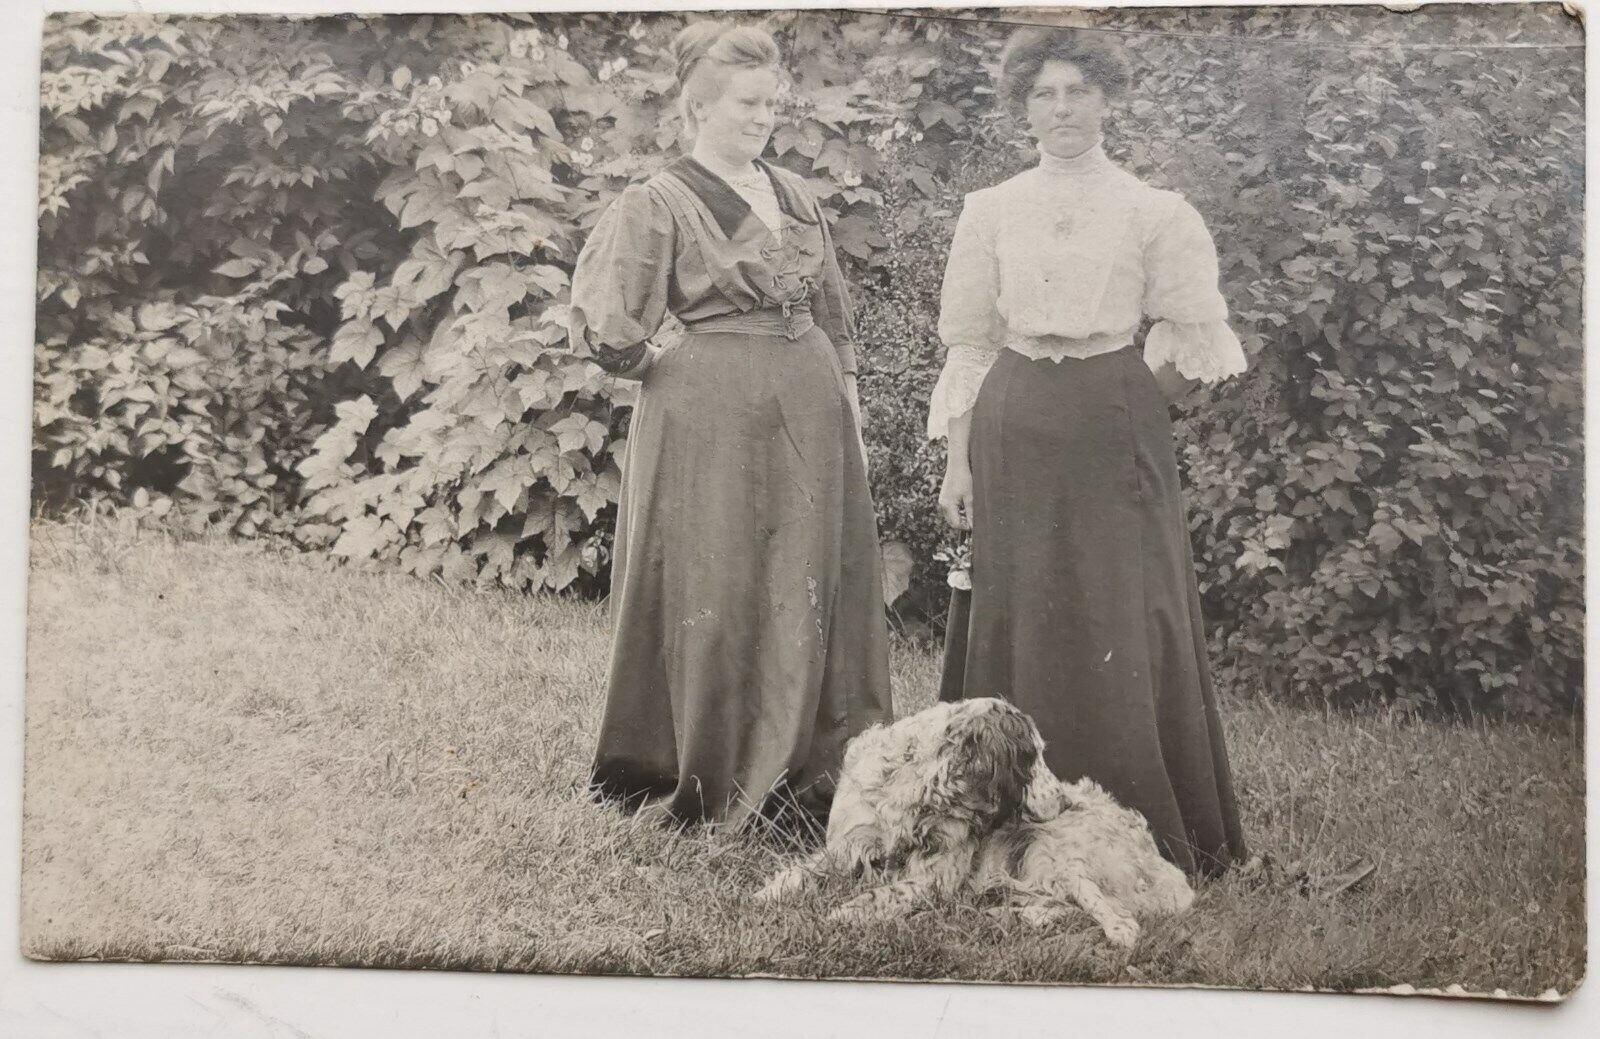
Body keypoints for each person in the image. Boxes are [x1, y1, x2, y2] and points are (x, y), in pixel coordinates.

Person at [929, 27, 1250, 875]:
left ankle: (1137, 820)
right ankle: (1001, 822)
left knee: (1118, 612)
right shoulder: (991, 210)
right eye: (1044, 94)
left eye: (1078, 91)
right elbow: (968, 343)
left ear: (1108, 98)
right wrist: (957, 463)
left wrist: (1130, 395)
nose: (1062, 109)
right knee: (1019, 608)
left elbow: (1197, 338)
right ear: (1022, 108)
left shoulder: (1153, 211)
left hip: (1113, 421)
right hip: (1012, 421)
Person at [567, 21, 892, 830]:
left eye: (771, 104)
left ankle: (814, 766)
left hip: (810, 404)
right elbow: (609, 326)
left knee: (807, 573)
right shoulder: (659, 201)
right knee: (719, 580)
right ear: (696, 104)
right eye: (747, 103)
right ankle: (713, 764)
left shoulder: (794, 194)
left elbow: (834, 318)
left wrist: (848, 415)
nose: (763, 118)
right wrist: (672, 369)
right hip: (709, 417)